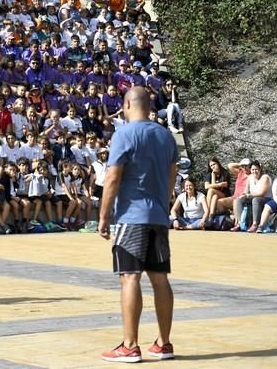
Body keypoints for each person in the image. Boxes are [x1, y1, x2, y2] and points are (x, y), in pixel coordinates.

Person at [98, 87, 178, 362]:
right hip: (157, 216)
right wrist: (162, 205)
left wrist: (104, 216)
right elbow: (172, 176)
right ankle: (163, 343)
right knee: (160, 280)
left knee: (130, 277)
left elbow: (113, 178)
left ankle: (130, 345)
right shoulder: (166, 135)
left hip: (131, 217)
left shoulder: (124, 134)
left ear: (127, 104)